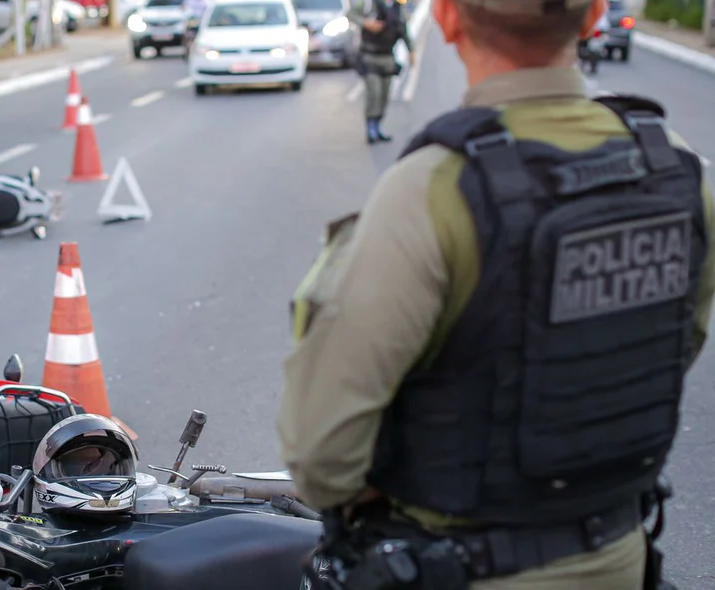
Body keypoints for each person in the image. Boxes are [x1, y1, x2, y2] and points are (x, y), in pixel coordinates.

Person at [277, 0, 714, 587]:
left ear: (449, 19)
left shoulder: (430, 190)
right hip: (624, 555)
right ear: (593, 18)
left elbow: (322, 460)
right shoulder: (679, 174)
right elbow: (668, 355)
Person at [346, 0, 413, 144]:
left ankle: (377, 125)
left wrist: (411, 50)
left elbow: (403, 29)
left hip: (387, 58)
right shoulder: (368, 4)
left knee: (384, 95)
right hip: (370, 57)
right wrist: (366, 23)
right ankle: (371, 127)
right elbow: (350, 14)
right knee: (374, 93)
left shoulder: (397, 6)